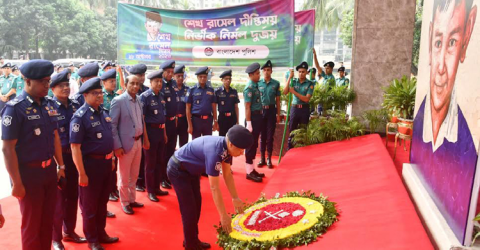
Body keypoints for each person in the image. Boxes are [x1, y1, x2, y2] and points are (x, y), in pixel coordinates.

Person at [411, 0, 478, 237]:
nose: (440, 67)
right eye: (438, 42)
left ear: (467, 36)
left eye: (452, 43)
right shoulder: (419, 124)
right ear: (429, 41)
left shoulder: (468, 149)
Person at [1, 59, 65, 250]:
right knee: (31, 225)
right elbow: (7, 148)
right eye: (43, 81)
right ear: (27, 81)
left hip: (49, 172)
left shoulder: (48, 104)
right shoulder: (15, 108)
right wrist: (17, 182)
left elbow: (54, 136)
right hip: (28, 176)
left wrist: (61, 166)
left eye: (48, 81)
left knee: (47, 221)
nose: (47, 85)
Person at [167, 125, 252, 250]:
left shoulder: (226, 148)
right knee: (189, 210)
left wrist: (235, 198)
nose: (241, 153)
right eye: (240, 150)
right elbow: (214, 187)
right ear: (232, 144)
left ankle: (191, 239)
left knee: (197, 205)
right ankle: (191, 246)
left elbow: (227, 174)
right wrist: (223, 215)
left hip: (191, 171)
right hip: (178, 170)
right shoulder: (215, 152)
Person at [70, 77, 119, 250]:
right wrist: (81, 173)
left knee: (102, 202)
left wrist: (112, 158)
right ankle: (92, 240)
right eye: (95, 93)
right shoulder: (80, 117)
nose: (99, 96)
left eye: (100, 92)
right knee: (90, 206)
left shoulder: (103, 112)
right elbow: (75, 147)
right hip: (90, 167)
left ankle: (101, 233)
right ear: (85, 95)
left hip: (106, 165)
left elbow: (109, 139)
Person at [49, 69, 86, 250]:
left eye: (67, 85)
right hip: (58, 158)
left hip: (74, 157)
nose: (65, 88)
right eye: (61, 86)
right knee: (58, 200)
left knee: (73, 196)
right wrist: (57, 164)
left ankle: (69, 230)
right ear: (52, 88)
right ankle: (56, 238)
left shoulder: (74, 105)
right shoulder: (49, 106)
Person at [110, 75, 149, 215]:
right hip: (125, 144)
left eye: (137, 84)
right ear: (125, 84)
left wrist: (145, 139)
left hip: (138, 142)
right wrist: (117, 146)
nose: (135, 86)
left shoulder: (139, 100)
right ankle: (125, 202)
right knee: (124, 176)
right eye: (132, 83)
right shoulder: (118, 101)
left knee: (134, 173)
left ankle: (132, 199)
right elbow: (112, 125)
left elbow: (141, 122)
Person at [140, 70, 169, 202]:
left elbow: (162, 117)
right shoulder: (145, 97)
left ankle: (157, 187)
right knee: (150, 164)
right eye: (156, 81)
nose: (159, 83)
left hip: (160, 132)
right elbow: (142, 119)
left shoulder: (161, 96)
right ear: (150, 82)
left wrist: (164, 133)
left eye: (160, 81)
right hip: (150, 133)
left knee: (159, 161)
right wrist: (145, 138)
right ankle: (150, 190)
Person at [283, 62, 314, 149]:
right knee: (292, 130)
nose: (301, 73)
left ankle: (302, 150)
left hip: (304, 109)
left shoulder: (310, 84)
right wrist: (289, 77)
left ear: (307, 72)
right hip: (294, 109)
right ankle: (290, 149)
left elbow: (306, 99)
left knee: (303, 131)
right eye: (299, 72)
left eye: (303, 72)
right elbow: (285, 92)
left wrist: (294, 92)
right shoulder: (294, 81)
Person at [100, 68, 120, 203]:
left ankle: (113, 188)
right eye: (111, 81)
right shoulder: (101, 97)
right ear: (104, 83)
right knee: (107, 164)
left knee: (115, 163)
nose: (113, 83)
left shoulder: (116, 96)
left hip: (116, 133)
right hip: (105, 132)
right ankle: (108, 190)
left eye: (114, 81)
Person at [243, 62, 265, 183]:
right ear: (251, 74)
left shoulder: (255, 85)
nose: (259, 75)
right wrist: (249, 123)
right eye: (257, 74)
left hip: (258, 117)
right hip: (252, 118)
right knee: (250, 145)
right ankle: (248, 172)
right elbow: (247, 107)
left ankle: (252, 169)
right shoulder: (249, 88)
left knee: (255, 144)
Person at [159, 60, 178, 189]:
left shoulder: (174, 84)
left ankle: (168, 175)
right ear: (163, 72)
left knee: (171, 151)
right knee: (164, 152)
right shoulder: (160, 85)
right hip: (164, 123)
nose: (171, 74)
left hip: (173, 121)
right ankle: (162, 178)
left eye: (172, 72)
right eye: (168, 72)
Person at [257, 60, 280, 168]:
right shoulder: (258, 83)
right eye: (265, 70)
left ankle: (269, 159)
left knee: (270, 137)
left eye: (268, 70)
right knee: (262, 136)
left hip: (271, 111)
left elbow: (278, 101)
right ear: (262, 72)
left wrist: (278, 114)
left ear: (271, 71)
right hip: (261, 111)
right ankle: (262, 158)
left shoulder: (276, 83)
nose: (266, 72)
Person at [186, 66, 218, 139]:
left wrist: (215, 121)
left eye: (204, 77)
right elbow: (187, 108)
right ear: (197, 77)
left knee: (207, 143)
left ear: (207, 77)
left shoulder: (211, 90)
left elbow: (214, 107)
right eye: (201, 77)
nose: (203, 78)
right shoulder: (192, 90)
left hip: (208, 120)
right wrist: (189, 125)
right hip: (196, 121)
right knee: (196, 144)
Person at [215, 69, 239, 136]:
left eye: (229, 79)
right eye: (226, 79)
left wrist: (237, 121)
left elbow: (236, 107)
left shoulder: (234, 91)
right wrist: (215, 121)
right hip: (222, 118)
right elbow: (214, 107)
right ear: (222, 80)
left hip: (232, 118)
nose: (228, 80)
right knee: (222, 138)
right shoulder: (217, 92)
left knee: (232, 137)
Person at [174, 65, 190, 147]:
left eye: (182, 76)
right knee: (171, 143)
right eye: (178, 76)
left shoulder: (188, 89)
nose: (180, 78)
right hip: (173, 120)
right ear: (174, 76)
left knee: (184, 143)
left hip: (184, 120)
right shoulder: (170, 89)